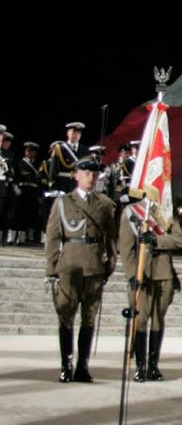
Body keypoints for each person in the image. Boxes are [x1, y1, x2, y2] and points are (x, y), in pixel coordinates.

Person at [44, 157, 117, 382]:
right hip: (69, 266)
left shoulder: (105, 203)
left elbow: (111, 239)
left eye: (95, 173)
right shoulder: (64, 202)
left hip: (94, 267)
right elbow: (53, 237)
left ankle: (82, 366)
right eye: (86, 172)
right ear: (76, 175)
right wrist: (52, 269)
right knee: (66, 316)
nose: (91, 177)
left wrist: (109, 267)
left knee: (89, 319)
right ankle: (66, 365)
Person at [119, 187, 182, 381]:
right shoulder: (131, 212)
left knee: (158, 318)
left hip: (163, 272)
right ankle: (140, 366)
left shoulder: (167, 213)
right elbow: (126, 247)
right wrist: (132, 274)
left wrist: (156, 240)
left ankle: (153, 366)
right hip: (141, 272)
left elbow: (179, 240)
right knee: (140, 319)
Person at [46, 122, 86, 193]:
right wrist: (52, 188)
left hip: (77, 186)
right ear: (68, 133)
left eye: (78, 133)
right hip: (62, 184)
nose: (76, 135)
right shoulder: (60, 148)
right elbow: (53, 169)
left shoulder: (84, 150)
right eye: (73, 132)